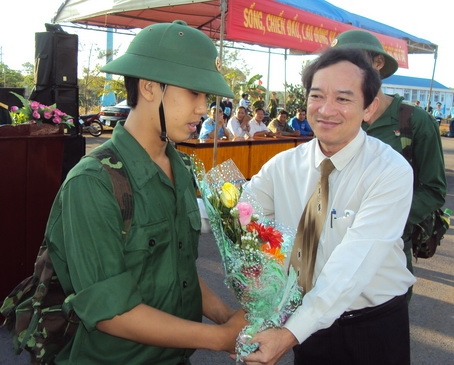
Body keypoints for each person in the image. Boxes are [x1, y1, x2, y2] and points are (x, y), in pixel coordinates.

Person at [44, 20, 246, 364]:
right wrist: (218, 337)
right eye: (194, 92)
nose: (203, 108)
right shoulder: (93, 183)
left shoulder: (180, 168)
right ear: (150, 88)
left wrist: (226, 317)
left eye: (206, 96)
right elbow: (110, 312)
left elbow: (175, 268)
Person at [242, 47, 415, 365]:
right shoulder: (283, 165)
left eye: (344, 99)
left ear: (369, 108)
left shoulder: (389, 171)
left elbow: (352, 267)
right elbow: (242, 211)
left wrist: (291, 333)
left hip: (371, 327)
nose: (326, 109)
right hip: (307, 324)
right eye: (317, 96)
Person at [331, 29, 446, 301]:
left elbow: (433, 189)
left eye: (352, 61)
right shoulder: (335, 119)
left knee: (383, 325)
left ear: (378, 63)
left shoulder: (415, 122)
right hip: (336, 248)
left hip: (388, 250)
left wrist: (390, 224)